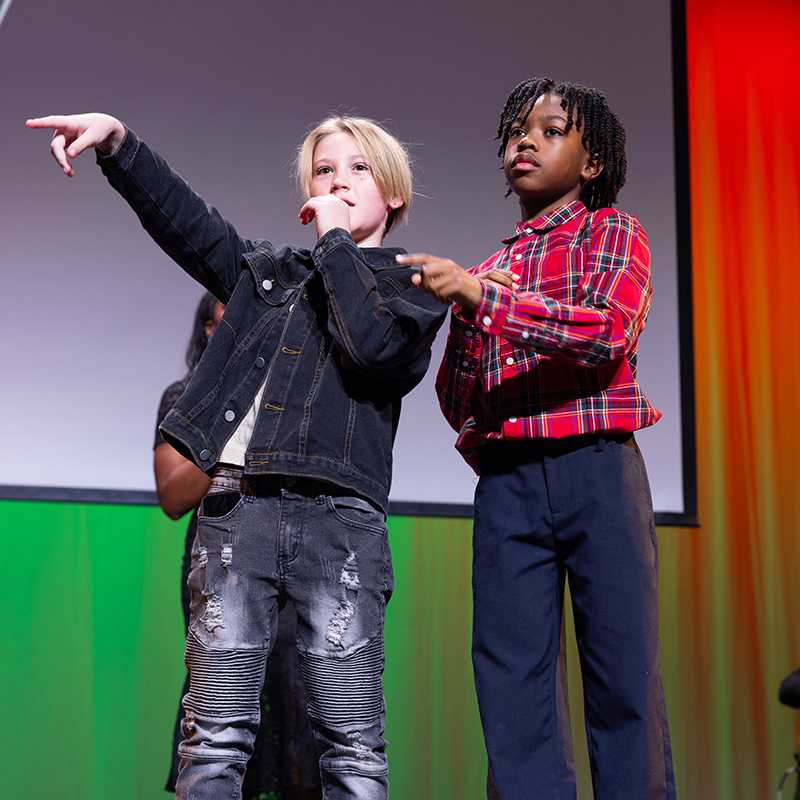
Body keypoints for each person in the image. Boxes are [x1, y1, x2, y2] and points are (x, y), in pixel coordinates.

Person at [28, 111, 446, 800]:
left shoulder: (413, 288)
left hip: (338, 525)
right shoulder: (269, 274)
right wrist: (118, 143)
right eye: (323, 169)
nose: (338, 179)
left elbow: (371, 347)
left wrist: (337, 239)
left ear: (394, 192)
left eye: (358, 168)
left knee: (352, 747)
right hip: (236, 514)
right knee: (214, 742)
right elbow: (187, 223)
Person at [399, 78, 676, 799]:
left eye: (549, 130)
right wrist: (459, 316)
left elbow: (605, 333)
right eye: (516, 131)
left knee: (623, 680)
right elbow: (459, 400)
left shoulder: (613, 233)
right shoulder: (485, 272)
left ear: (591, 162)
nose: (524, 140)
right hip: (510, 483)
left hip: (598, 469)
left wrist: (480, 299)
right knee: (511, 684)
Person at [155, 293, 321, 800]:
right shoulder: (185, 397)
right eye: (234, 318)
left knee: (300, 690)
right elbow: (173, 495)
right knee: (222, 692)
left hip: (291, 552)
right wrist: (234, 427)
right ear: (210, 329)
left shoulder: (291, 396)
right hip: (221, 556)